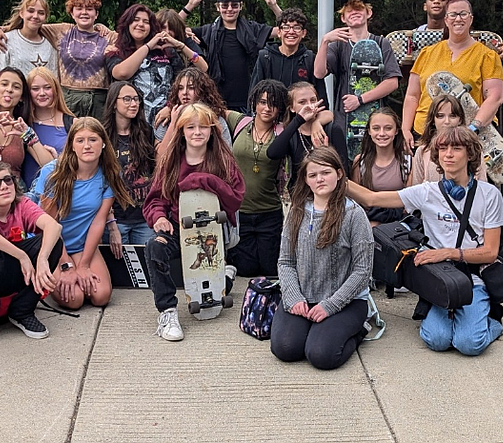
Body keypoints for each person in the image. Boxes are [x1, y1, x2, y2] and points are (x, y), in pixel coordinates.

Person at [347, 127, 503, 356]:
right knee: (437, 340)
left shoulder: (489, 194)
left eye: (456, 148)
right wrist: (333, 175)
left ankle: (491, 322)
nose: (448, 154)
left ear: (470, 154)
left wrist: (447, 253)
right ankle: (457, 317)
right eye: (443, 148)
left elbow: (491, 252)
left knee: (469, 344)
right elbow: (371, 198)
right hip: (439, 279)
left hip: (474, 278)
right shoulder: (427, 192)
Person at [143, 103, 246, 341]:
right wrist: (158, 217)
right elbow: (155, 199)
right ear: (182, 131)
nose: (197, 132)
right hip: (178, 229)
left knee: (209, 284)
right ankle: (168, 312)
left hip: (213, 232)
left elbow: (235, 199)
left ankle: (224, 276)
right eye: (190, 127)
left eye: (203, 127)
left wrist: (204, 179)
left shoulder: (223, 160)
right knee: (154, 247)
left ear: (212, 130)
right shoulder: (171, 161)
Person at [271, 147, 374, 370]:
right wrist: (294, 297)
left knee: (321, 356)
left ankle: (359, 331)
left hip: (346, 301)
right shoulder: (297, 211)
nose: (320, 179)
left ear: (338, 174)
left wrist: (330, 305)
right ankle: (311, 329)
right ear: (306, 180)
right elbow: (285, 262)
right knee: (286, 349)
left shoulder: (354, 215)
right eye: (313, 175)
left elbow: (362, 271)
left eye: (325, 172)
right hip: (304, 297)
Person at [27, 117, 131, 310]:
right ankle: (44, 272)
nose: (87, 146)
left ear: (103, 144)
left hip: (83, 243)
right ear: (72, 145)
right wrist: (66, 265)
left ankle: (78, 266)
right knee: (74, 299)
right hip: (53, 244)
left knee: (101, 296)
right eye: (80, 140)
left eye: (93, 139)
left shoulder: (108, 174)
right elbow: (48, 226)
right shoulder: (53, 173)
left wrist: (82, 266)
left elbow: (99, 222)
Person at [0, 161, 65, 349]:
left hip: (13, 273)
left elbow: (54, 226)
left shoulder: (21, 203)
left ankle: (22, 311)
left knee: (53, 243)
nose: (4, 187)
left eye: (7, 180)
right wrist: (21, 256)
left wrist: (41, 258)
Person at [403, 0, 503, 148]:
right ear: (446, 20)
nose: (458, 19)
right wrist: (405, 128)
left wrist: (473, 129)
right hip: (424, 134)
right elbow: (412, 95)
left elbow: (495, 97)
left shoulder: (487, 56)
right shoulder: (427, 53)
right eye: (453, 14)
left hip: (467, 136)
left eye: (463, 14)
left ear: (471, 19)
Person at [180, 0, 281, 111]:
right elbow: (171, 27)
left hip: (247, 100)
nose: (229, 9)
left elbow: (285, 30)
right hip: (215, 100)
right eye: (224, 5)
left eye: (234, 5)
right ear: (218, 7)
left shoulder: (253, 29)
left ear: (240, 6)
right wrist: (190, 6)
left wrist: (273, 6)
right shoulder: (208, 32)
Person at [313, 0, 401, 136]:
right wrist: (325, 42)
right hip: (344, 121)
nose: (354, 12)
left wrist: (360, 100)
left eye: (359, 9)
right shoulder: (338, 46)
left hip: (376, 121)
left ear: (369, 13)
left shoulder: (381, 43)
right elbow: (318, 72)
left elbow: (392, 82)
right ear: (343, 18)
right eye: (349, 11)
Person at [227, 79, 289, 277]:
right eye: (262, 102)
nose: (267, 108)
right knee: (246, 270)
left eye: (273, 103)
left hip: (269, 213)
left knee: (270, 270)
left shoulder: (282, 133)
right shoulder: (240, 122)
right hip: (240, 213)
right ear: (254, 102)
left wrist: (314, 127)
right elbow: (211, 104)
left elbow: (317, 117)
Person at [106, 4, 193, 125]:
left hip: (164, 120)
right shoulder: (115, 51)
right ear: (127, 24)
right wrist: (147, 47)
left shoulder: (166, 51)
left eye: (146, 22)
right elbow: (121, 73)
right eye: (135, 20)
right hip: (132, 123)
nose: (140, 24)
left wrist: (170, 106)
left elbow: (180, 82)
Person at [40, 0, 116, 120]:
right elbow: (31, 25)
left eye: (90, 9)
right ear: (72, 13)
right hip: (68, 98)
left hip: (99, 100)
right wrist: (1, 30)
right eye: (79, 8)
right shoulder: (62, 31)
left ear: (96, 14)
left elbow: (132, 41)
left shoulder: (108, 36)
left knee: (98, 137)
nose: (84, 12)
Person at [102, 81, 157, 246]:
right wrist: (110, 224)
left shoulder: (146, 131)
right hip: (115, 218)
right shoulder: (102, 135)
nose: (133, 104)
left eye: (136, 99)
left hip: (143, 217)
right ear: (113, 103)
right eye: (127, 99)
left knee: (145, 267)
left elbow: (156, 169)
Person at [267, 82, 349, 191]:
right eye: (302, 102)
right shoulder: (292, 134)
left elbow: (344, 170)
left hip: (330, 196)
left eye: (313, 100)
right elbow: (272, 153)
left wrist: (324, 152)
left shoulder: (332, 129)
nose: (309, 105)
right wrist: (299, 119)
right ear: (292, 107)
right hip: (302, 198)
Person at [250, 7, 326, 102]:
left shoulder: (310, 59)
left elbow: (321, 98)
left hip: (302, 115)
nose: (291, 32)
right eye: (286, 27)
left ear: (303, 33)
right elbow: (254, 94)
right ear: (279, 32)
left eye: (297, 27)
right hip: (272, 114)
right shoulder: (265, 57)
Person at [351, 108, 411, 226]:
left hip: (399, 226)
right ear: (368, 131)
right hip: (368, 224)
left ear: (396, 131)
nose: (382, 133)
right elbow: (355, 200)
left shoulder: (407, 162)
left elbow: (410, 202)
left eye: (388, 128)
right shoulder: (361, 162)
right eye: (376, 128)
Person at [410, 94, 487, 185]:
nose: (447, 121)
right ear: (433, 120)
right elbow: (416, 191)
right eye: (440, 116)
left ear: (460, 120)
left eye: (452, 116)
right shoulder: (422, 151)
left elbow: (482, 187)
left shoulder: (472, 148)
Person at [21, 66, 75, 187]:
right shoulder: (23, 123)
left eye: (47, 87)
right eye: (35, 89)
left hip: (62, 191)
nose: (42, 93)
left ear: (55, 89)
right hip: (28, 197)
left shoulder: (72, 123)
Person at [153, 67, 233, 145]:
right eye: (180, 88)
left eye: (191, 88)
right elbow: (159, 157)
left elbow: (227, 155)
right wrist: (173, 123)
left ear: (203, 91)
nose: (184, 92)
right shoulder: (167, 119)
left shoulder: (216, 119)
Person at [0, 0, 59, 80]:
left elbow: (53, 79)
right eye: (30, 11)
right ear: (21, 13)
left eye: (41, 13)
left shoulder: (50, 44)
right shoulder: (6, 40)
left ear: (45, 17)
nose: (35, 16)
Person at [156, 8, 208, 73]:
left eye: (171, 28)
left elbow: (204, 68)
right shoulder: (150, 43)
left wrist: (180, 46)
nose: (167, 32)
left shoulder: (186, 41)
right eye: (163, 27)